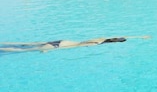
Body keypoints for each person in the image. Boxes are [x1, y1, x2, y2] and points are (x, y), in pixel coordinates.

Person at [0, 36, 144, 53]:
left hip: (62, 40)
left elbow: (121, 37)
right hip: (59, 46)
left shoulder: (100, 38)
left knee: (25, 43)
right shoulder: (96, 44)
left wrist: (139, 36)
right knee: (19, 50)